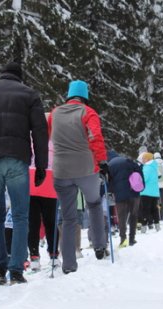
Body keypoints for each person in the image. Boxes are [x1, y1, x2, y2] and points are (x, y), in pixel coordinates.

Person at [0, 62, 48, 285]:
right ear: (19, 77)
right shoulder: (29, 95)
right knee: (20, 216)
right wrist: (41, 167)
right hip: (17, 159)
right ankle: (16, 270)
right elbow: (39, 133)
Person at [49, 80, 108, 272]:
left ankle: (68, 264)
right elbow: (95, 137)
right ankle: (99, 246)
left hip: (61, 170)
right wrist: (102, 162)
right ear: (85, 96)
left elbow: (50, 136)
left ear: (69, 95)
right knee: (94, 204)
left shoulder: (55, 114)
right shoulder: (88, 112)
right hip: (86, 168)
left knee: (68, 217)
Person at [27, 139, 57, 271]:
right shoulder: (54, 140)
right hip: (49, 180)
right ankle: (54, 254)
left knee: (33, 222)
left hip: (31, 179)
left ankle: (34, 256)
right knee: (50, 222)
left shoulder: (30, 138)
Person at [106, 150, 142, 247]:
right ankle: (132, 238)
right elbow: (139, 172)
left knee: (122, 217)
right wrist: (140, 187)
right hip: (134, 193)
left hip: (120, 195)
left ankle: (123, 239)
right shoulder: (128, 161)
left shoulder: (109, 166)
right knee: (133, 215)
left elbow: (108, 183)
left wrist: (113, 191)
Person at [139, 152, 161, 232]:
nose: (142, 160)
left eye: (144, 158)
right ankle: (157, 225)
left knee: (145, 209)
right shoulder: (154, 166)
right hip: (154, 192)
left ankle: (144, 226)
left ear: (148, 159)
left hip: (146, 192)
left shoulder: (147, 167)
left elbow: (144, 179)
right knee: (154, 209)